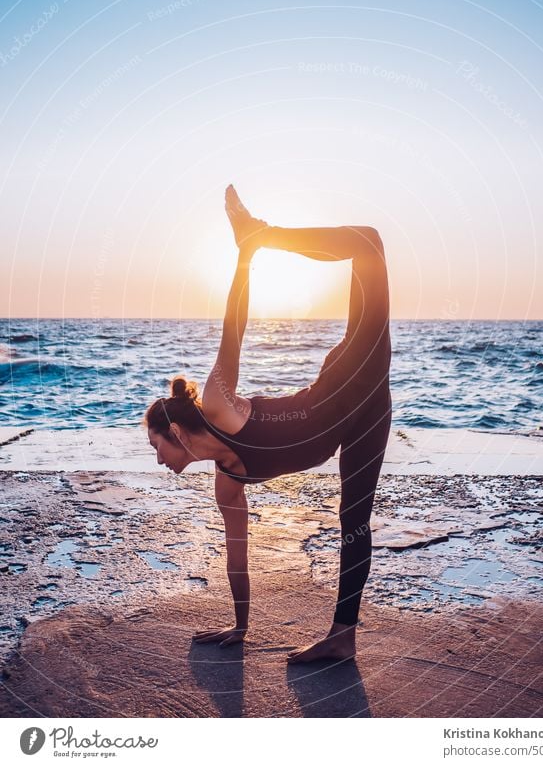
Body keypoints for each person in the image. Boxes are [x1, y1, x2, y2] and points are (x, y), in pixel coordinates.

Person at [144, 185, 392, 663]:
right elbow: (238, 556)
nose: (157, 459)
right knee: (353, 520)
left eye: (156, 446)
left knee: (368, 242)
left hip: (351, 380)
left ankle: (262, 234)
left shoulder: (219, 405)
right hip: (365, 417)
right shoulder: (227, 484)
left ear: (176, 432)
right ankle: (343, 635)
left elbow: (233, 328)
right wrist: (240, 626)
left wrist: (246, 257)